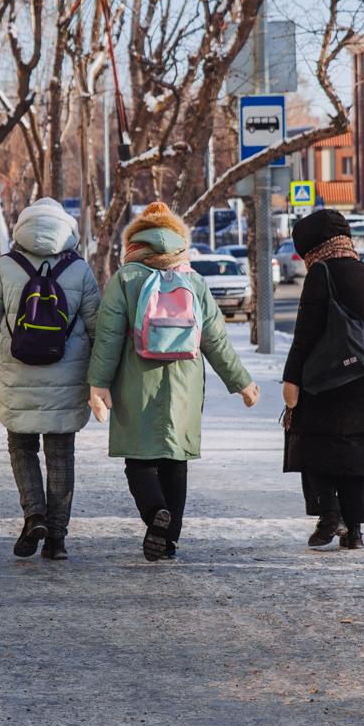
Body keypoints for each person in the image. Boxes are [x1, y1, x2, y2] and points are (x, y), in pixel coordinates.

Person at [86, 202, 260, 561]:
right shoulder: (193, 281)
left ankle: (154, 515)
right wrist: (241, 382)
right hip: (184, 384)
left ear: (136, 239)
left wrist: (98, 384)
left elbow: (108, 337)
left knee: (139, 459)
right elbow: (215, 339)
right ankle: (167, 539)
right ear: (178, 239)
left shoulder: (126, 279)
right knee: (174, 460)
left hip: (136, 383)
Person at [0, 197, 102, 560]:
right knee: (61, 455)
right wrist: (103, 379)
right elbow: (97, 330)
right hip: (68, 375)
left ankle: (34, 514)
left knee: (21, 448)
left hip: (17, 373)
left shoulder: (6, 267)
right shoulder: (80, 270)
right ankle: (56, 539)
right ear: (66, 229)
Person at [281, 208, 364, 550]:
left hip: (327, 381)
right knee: (356, 454)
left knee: (311, 442)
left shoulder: (321, 273)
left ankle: (329, 515)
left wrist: (291, 377)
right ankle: (354, 531)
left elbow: (306, 333)